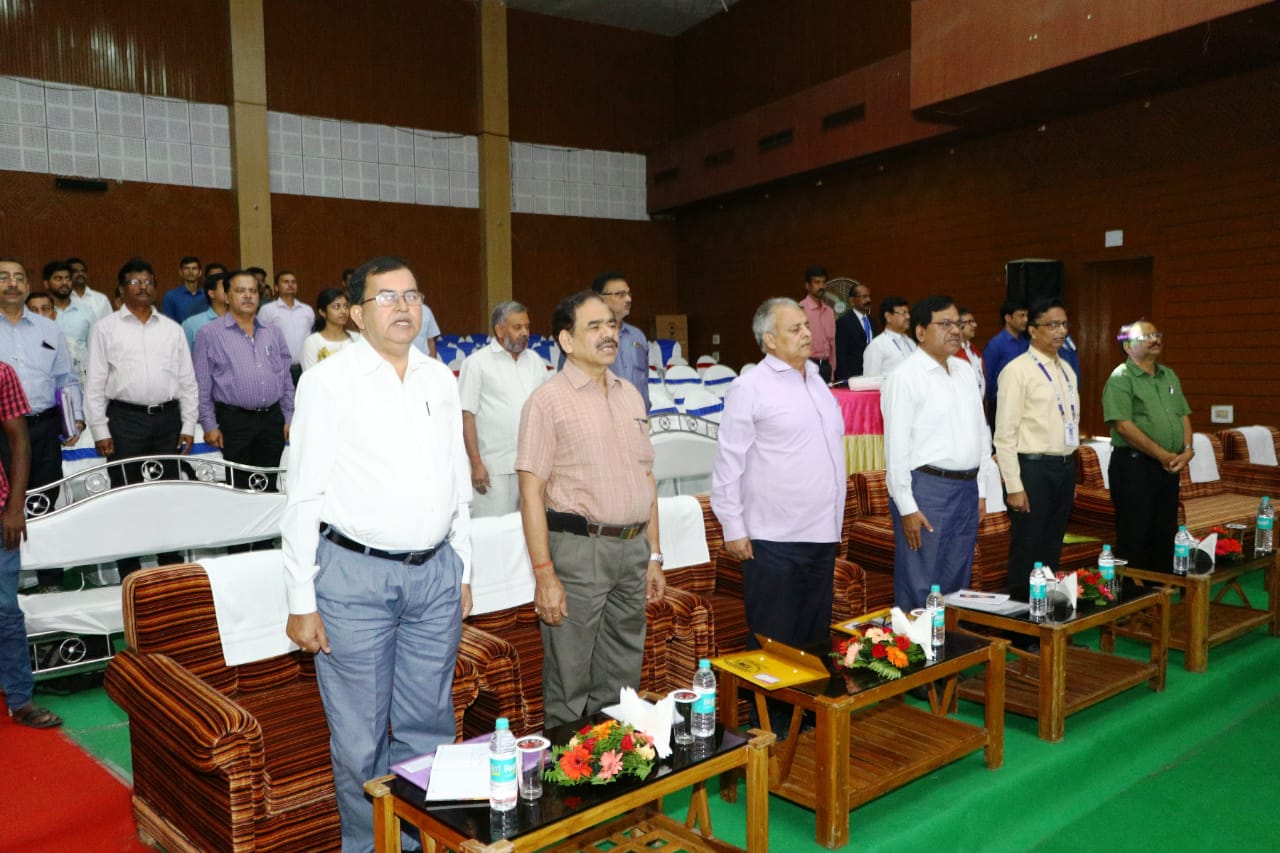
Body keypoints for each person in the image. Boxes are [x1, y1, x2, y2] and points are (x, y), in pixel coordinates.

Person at [283, 256, 471, 852]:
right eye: (386, 296)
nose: (403, 306)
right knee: (360, 740)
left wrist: (463, 566)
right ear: (358, 314)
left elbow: (457, 480)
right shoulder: (327, 381)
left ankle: (421, 841)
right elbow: (303, 494)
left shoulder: (439, 379)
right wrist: (300, 598)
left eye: (412, 295)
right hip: (353, 578)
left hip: (435, 574)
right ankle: (369, 847)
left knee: (429, 727)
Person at [516, 290, 664, 728]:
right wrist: (544, 574)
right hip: (579, 552)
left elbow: (647, 479)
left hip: (632, 549)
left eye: (611, 325)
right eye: (594, 326)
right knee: (569, 679)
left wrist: (654, 555)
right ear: (566, 340)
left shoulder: (630, 395)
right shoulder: (547, 401)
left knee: (622, 678)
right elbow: (530, 493)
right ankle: (567, 768)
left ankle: (615, 762)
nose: (608, 334)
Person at [712, 297, 844, 652]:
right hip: (773, 539)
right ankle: (766, 696)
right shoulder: (749, 387)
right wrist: (733, 528)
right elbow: (728, 463)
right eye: (795, 328)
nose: (807, 333)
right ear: (770, 340)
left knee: (814, 643)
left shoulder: (817, 381)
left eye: (806, 326)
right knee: (774, 645)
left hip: (822, 534)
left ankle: (812, 692)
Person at [85, 258, 198, 579]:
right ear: (121, 290)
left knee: (168, 492)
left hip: (167, 419)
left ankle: (170, 560)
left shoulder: (172, 329)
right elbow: (95, 382)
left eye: (148, 282)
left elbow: (187, 381)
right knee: (125, 493)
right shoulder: (105, 328)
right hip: (125, 420)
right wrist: (100, 429)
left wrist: (188, 424)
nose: (143, 287)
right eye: (135, 282)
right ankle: (129, 566)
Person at [882, 296, 995, 610]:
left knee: (958, 581)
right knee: (920, 582)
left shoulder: (964, 370)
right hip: (927, 490)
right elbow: (895, 449)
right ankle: (915, 641)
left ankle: (949, 640)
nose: (955, 331)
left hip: (967, 489)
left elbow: (981, 432)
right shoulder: (904, 377)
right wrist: (906, 506)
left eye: (957, 323)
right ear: (920, 332)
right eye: (944, 324)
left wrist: (981, 490)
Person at [0, 258, 84, 592]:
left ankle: (50, 581)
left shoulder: (49, 328)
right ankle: (11, 581)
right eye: (4, 277)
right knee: (6, 504)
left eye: (19, 277)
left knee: (47, 502)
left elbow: (66, 378)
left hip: (44, 428)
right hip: (3, 432)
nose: (12, 283)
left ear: (27, 285)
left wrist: (74, 418)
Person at [994, 298, 1079, 603]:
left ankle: (1047, 610)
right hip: (1032, 468)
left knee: (1052, 543)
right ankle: (1022, 617)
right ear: (1032, 330)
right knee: (1028, 546)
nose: (1061, 331)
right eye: (1052, 325)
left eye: (1064, 324)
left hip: (1064, 466)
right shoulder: (1017, 371)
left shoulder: (1067, 369)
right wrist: (1014, 486)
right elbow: (1004, 435)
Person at [193, 270, 293, 503]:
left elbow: (285, 378)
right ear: (227, 296)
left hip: (272, 419)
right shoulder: (209, 334)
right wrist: (209, 423)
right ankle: (241, 527)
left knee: (268, 483)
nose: (248, 296)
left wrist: (289, 416)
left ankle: (266, 527)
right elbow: (202, 383)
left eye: (253, 291)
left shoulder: (273, 332)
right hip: (234, 421)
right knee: (238, 486)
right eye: (240, 291)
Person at [0, 360, 62, 728]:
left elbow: (20, 440)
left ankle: (20, 699)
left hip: (0, 510)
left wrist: (15, 506)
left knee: (5, 610)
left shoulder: (2, 373)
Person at [1102, 321, 1193, 572]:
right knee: (1135, 534)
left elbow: (1183, 414)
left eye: (1157, 334)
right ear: (1127, 346)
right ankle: (1134, 593)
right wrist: (1162, 454)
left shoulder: (1168, 375)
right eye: (1147, 336)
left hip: (1168, 468)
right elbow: (1124, 427)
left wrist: (1187, 450)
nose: (1155, 339)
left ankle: (1161, 591)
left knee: (1164, 532)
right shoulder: (1121, 378)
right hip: (1134, 467)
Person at [458, 300, 547, 517]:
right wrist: (476, 464)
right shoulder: (476, 363)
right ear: (499, 330)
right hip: (493, 468)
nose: (525, 333)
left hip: (532, 466)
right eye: (518, 327)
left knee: (528, 531)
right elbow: (466, 416)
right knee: (493, 531)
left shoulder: (535, 361)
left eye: (527, 327)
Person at [592, 272, 650, 410]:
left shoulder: (638, 336)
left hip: (638, 416)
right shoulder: (583, 337)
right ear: (599, 299)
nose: (628, 299)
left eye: (629, 294)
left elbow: (644, 379)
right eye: (620, 294)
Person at [257, 269, 315, 386]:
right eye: (286, 282)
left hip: (306, 367)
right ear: (276, 287)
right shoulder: (267, 310)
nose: (290, 285)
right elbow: (260, 338)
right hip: (280, 367)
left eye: (293, 282)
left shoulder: (307, 310)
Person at [44, 260, 95, 387]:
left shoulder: (86, 312)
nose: (64, 283)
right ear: (46, 283)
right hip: (48, 380)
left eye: (68, 278)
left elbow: (95, 349)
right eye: (58, 278)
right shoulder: (39, 313)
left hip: (82, 381)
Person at [983, 300, 1029, 427]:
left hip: (1024, 403)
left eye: (1026, 315)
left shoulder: (1026, 343)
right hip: (1001, 403)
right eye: (1021, 315)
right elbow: (988, 376)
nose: (1025, 320)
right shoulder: (995, 344)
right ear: (1008, 318)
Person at [300, 288, 360, 371]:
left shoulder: (356, 338)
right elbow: (310, 375)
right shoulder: (312, 342)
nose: (343, 311)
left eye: (346, 306)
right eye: (336, 307)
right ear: (322, 312)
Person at [798, 265, 836, 382]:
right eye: (817, 282)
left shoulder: (829, 312)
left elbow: (832, 345)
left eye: (823, 282)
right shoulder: (799, 310)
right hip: (807, 366)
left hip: (826, 367)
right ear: (807, 286)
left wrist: (832, 371)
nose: (821, 286)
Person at [862, 296, 916, 376]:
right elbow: (870, 379)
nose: (908, 316)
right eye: (903, 313)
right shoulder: (877, 346)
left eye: (908, 312)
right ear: (888, 317)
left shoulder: (911, 342)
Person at [833, 281, 873, 382]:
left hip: (871, 375)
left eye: (869, 296)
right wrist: (843, 380)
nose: (868, 300)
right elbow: (841, 354)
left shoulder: (872, 321)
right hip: (852, 378)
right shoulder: (844, 322)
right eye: (864, 297)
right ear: (852, 300)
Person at [182, 272, 230, 351]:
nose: (230, 291)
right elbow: (184, 355)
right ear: (211, 293)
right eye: (225, 287)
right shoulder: (191, 324)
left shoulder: (241, 321)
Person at [161, 255, 209, 323]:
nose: (190, 271)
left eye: (194, 268)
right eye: (186, 268)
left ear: (200, 272)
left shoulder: (208, 295)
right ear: (181, 272)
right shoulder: (171, 296)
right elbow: (168, 323)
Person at [66, 257, 114, 321]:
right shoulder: (63, 298)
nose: (80, 274)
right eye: (75, 271)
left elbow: (110, 322)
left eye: (83, 271)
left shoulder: (101, 299)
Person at [954, 306, 986, 401]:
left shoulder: (974, 350)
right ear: (958, 325)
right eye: (970, 322)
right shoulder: (952, 353)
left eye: (974, 321)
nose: (975, 325)